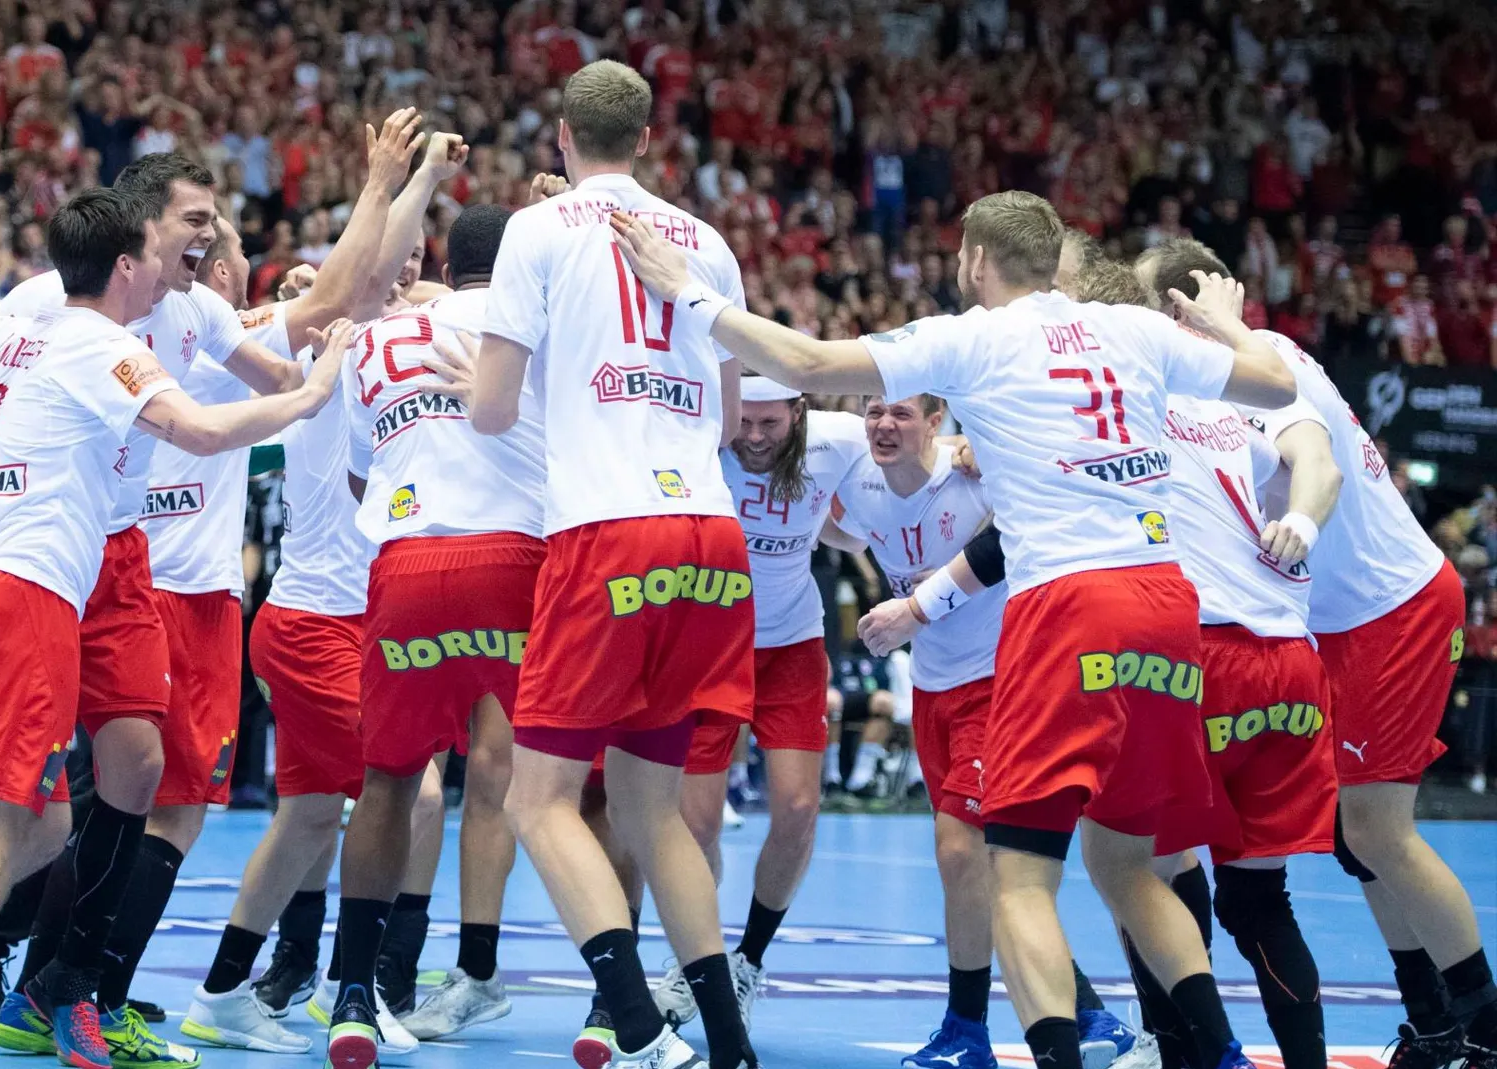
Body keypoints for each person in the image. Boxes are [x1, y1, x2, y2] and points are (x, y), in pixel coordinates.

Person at [608, 189, 1298, 1069]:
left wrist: (689, 292)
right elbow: (1275, 382)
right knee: (1132, 862)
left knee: (1014, 874)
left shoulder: (971, 337)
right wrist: (1227, 323)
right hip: (1166, 605)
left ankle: (1054, 1053)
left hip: (1068, 607)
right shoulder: (1135, 331)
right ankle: (1220, 1056)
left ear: (975, 260)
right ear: (1054, 260)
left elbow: (808, 360)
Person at [0, 185, 345, 1069]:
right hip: (23, 596)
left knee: (38, 825)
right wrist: (313, 391)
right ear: (128, 264)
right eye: (157, 246)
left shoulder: (16, 331)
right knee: (3, 831)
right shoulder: (101, 342)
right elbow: (202, 430)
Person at [446, 60, 758, 1069]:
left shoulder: (535, 233)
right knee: (646, 807)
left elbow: (492, 408)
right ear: (646, 137)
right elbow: (718, 417)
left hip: (606, 534)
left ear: (561, 137)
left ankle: (632, 1025)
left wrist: (480, 395)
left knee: (536, 798)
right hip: (708, 538)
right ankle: (726, 1040)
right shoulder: (705, 240)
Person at [1141, 239, 1497, 1069]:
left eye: (1160, 308)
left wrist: (1300, 520)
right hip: (1330, 624)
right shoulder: (1214, 380)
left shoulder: (1267, 365)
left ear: (1188, 308)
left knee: (1377, 828)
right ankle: (1435, 1021)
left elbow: (1321, 470)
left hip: (1389, 607)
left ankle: (1482, 1028)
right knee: (1354, 834)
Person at [182, 124, 465, 1058]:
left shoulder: (398, 346)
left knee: (308, 814)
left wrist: (424, 182)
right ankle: (363, 987)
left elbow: (409, 271)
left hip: (344, 620)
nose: (409, 273)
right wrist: (406, 178)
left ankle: (224, 992)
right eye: (397, 265)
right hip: (315, 624)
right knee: (414, 796)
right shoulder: (336, 349)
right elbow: (378, 271)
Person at [839, 391, 1147, 1069]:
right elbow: (832, 517)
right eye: (872, 411)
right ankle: (1088, 1008)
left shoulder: (978, 473)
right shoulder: (855, 475)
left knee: (962, 850)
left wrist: (917, 606)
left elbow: (1019, 534)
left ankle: (966, 1030)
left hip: (1006, 680)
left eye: (901, 413)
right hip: (933, 687)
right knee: (988, 864)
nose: (884, 425)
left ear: (937, 420)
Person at [310, 204, 537, 1068]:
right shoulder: (532, 323)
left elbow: (365, 467)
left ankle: (355, 993)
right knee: (551, 781)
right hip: (520, 558)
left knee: (389, 782)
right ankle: (614, 1003)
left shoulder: (378, 338)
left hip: (407, 564)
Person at [644, 375, 870, 1032]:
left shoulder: (839, 440)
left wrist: (962, 451)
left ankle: (747, 962)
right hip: (709, 642)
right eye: (745, 422)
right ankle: (695, 960)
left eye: (771, 424)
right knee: (698, 826)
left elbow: (912, 450)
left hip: (792, 643)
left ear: (800, 414)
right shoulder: (700, 436)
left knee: (798, 809)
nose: (755, 437)